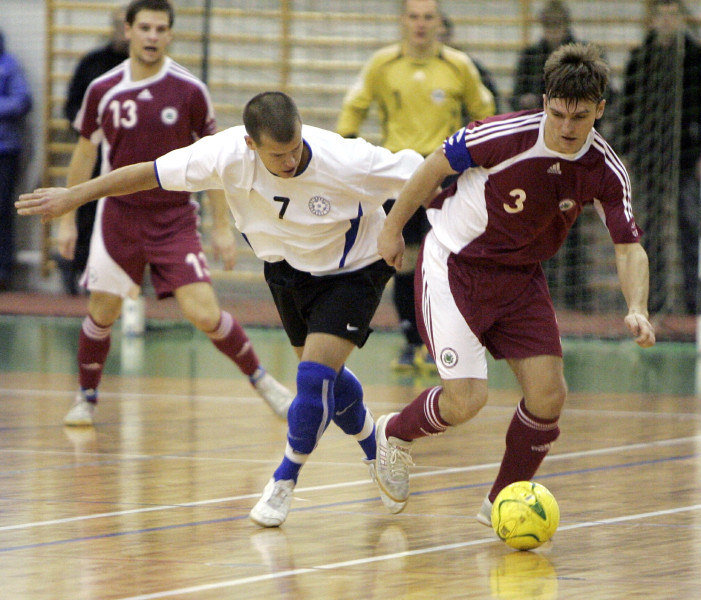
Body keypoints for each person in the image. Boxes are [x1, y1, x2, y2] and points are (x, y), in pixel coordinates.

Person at [16, 90, 424, 526]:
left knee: (313, 377)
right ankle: (374, 445)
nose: (290, 162)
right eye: (277, 155)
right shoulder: (224, 153)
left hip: (354, 268)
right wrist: (75, 196)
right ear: (250, 144)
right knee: (324, 381)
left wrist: (395, 226)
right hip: (288, 269)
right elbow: (145, 174)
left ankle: (284, 480)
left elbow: (425, 171)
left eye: (294, 149)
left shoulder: (345, 158)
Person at [373, 43, 655, 521]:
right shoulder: (504, 135)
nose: (567, 127)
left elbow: (628, 245)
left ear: (600, 110)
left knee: (549, 395)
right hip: (455, 267)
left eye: (580, 116)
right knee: (466, 401)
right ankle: (395, 433)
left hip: (522, 278)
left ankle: (501, 503)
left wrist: (637, 308)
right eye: (558, 112)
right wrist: (391, 228)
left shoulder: (606, 169)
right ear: (545, 101)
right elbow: (432, 168)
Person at [35, 0, 293, 426]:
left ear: (170, 35)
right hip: (118, 217)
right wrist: (67, 217)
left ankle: (266, 383)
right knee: (102, 311)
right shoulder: (103, 89)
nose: (153, 36)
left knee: (205, 312)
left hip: (174, 218)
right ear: (129, 30)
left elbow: (216, 160)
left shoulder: (189, 90)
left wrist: (222, 228)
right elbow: (84, 155)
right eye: (145, 28)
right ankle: (86, 397)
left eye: (161, 29)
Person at [336, 0, 494, 372]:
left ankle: (449, 343)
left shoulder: (458, 66)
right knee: (402, 260)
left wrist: (480, 163)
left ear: (439, 22)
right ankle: (411, 342)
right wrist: (347, 152)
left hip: (446, 176)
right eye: (413, 16)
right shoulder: (383, 64)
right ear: (402, 21)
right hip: (399, 176)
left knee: (449, 259)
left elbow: (485, 114)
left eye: (427, 17)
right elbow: (352, 109)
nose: (420, 24)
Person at [510, 0, 612, 310]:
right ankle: (543, 288)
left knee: (574, 220)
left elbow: (605, 100)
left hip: (576, 156)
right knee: (540, 219)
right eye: (548, 25)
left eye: (558, 25)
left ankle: (576, 292)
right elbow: (516, 98)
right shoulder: (531, 57)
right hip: (539, 154)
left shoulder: (586, 63)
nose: (553, 31)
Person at [620, 0, 701, 315]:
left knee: (690, 225)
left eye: (673, 15)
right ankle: (651, 301)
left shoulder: (697, 58)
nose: (668, 22)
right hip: (648, 157)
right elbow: (628, 110)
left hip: (687, 156)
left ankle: (696, 302)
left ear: (681, 19)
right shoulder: (640, 59)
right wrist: (626, 153)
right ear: (652, 21)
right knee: (650, 230)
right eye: (662, 16)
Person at [57, 5, 129, 296]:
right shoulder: (94, 64)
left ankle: (122, 279)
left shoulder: (151, 71)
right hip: (97, 151)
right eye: (121, 25)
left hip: (131, 157)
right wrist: (93, 128)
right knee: (87, 212)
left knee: (125, 219)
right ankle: (77, 269)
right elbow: (72, 105)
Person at [0, 30, 33, 291]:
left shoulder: (8, 65)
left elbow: (22, 101)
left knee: (2, 211)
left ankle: (3, 271)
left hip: (4, 150)